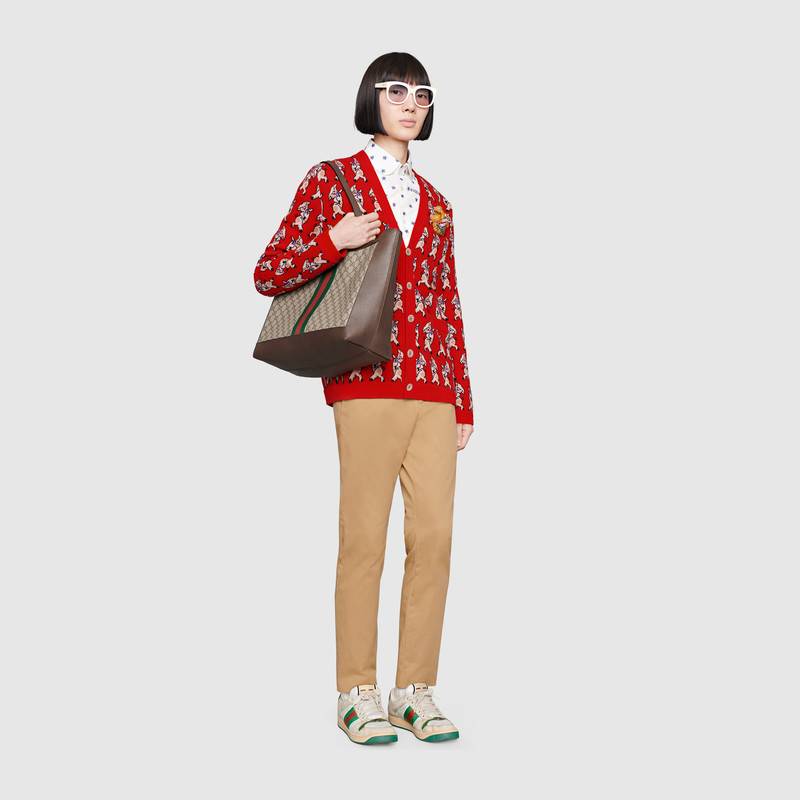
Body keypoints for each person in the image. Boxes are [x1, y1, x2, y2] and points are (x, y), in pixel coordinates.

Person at [253, 52, 475, 745]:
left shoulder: (438, 202)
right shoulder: (333, 179)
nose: (411, 104)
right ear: (371, 99)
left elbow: (447, 302)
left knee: (434, 539)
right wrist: (333, 238)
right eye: (396, 90)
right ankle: (357, 689)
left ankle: (414, 689)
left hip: (433, 389)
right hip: (365, 382)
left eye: (423, 94)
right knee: (364, 540)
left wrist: (463, 398)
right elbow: (269, 272)